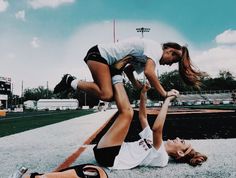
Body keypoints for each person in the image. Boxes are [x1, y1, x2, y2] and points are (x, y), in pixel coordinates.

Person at [93, 83, 207, 169]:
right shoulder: (155, 142)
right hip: (110, 150)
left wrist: (167, 101)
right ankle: (115, 78)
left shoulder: (162, 158)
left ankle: (116, 78)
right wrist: (143, 94)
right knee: (128, 112)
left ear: (180, 153)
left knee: (127, 113)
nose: (178, 138)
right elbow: (142, 117)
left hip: (111, 157)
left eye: (181, 142)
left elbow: (157, 129)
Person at [53, 37, 203, 101]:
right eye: (173, 61)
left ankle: (70, 82)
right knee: (106, 94)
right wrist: (164, 93)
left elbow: (129, 70)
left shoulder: (147, 57)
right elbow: (149, 73)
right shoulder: (155, 49)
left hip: (107, 62)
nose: (170, 64)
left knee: (111, 96)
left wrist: (135, 83)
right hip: (100, 55)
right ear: (169, 51)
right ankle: (70, 80)